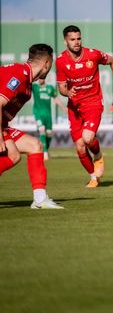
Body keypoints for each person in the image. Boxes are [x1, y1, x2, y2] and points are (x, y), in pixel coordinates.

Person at [56, 25, 113, 188]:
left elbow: (112, 61)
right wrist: (67, 92)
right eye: (72, 39)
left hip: (93, 103)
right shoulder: (60, 61)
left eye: (78, 38)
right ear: (65, 41)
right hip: (74, 107)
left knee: (87, 139)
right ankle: (93, 177)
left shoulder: (92, 54)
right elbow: (61, 88)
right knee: (80, 147)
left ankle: (98, 154)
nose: (76, 42)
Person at [0, 44, 63, 209]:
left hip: (2, 125)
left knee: (34, 146)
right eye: (52, 63)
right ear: (46, 63)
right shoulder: (19, 75)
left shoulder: (26, 81)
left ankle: (40, 200)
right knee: (14, 154)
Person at [32, 78, 67, 160]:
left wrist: (64, 108)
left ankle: (46, 150)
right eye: (39, 78)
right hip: (38, 114)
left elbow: (56, 99)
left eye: (41, 77)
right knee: (42, 130)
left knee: (49, 134)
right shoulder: (34, 87)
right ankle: (44, 153)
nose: (40, 79)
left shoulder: (50, 88)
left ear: (44, 78)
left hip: (48, 115)